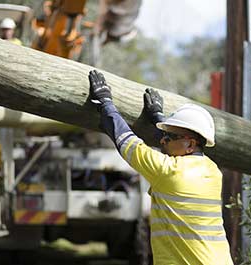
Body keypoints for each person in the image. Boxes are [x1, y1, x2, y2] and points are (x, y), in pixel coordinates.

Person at [88, 70, 234, 265]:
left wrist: (105, 103)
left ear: (190, 145)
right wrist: (159, 118)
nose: (163, 140)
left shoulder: (168, 172)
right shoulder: (212, 170)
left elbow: (126, 141)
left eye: (169, 136)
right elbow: (173, 146)